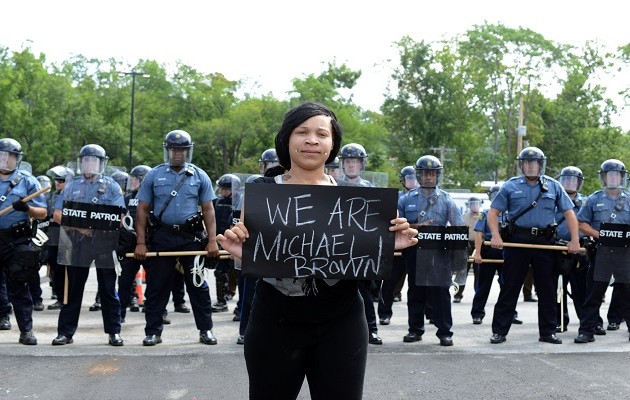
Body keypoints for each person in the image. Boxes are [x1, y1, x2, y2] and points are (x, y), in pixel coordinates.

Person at [217, 102, 418, 400]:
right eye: (302, 131)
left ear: (332, 143)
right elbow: (261, 256)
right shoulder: (263, 191)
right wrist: (239, 252)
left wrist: (388, 245)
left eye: (322, 133)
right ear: (287, 139)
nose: (312, 140)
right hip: (274, 320)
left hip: (342, 321)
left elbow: (358, 261)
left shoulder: (354, 200)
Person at [133, 129, 220, 346]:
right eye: (174, 149)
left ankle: (206, 330)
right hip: (162, 236)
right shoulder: (154, 175)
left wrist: (212, 240)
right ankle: (153, 331)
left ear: (188, 151)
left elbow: (208, 210)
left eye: (182, 150)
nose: (178, 154)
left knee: (198, 286)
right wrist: (141, 242)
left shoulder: (200, 175)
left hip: (191, 237)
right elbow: (142, 210)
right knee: (157, 287)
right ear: (168, 151)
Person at [487, 147, 580, 345]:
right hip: (517, 241)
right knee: (510, 287)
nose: (530, 166)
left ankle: (548, 332)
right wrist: (495, 235)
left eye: (534, 162)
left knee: (547, 288)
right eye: (526, 162)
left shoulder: (553, 186)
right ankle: (499, 331)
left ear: (541, 165)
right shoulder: (510, 186)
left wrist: (575, 240)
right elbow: (493, 213)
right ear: (522, 165)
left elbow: (569, 214)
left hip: (544, 243)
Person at [52, 144, 126, 346]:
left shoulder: (111, 186)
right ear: (81, 163)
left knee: (108, 289)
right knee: (73, 289)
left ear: (101, 163)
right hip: (77, 242)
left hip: (104, 243)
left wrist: (100, 226)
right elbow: (57, 214)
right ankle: (65, 333)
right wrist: (79, 227)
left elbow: (120, 216)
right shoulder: (71, 186)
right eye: (86, 160)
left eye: (94, 160)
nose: (90, 164)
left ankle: (114, 332)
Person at [399, 155, 464, 346]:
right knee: (415, 290)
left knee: (441, 291)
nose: (429, 177)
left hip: (439, 251)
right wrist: (419, 225)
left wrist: (458, 255)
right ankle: (415, 330)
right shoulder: (406, 199)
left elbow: (457, 226)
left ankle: (445, 332)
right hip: (415, 250)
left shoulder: (446, 199)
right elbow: (397, 226)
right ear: (418, 175)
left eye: (433, 173)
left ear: (438, 176)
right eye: (425, 173)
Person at [574, 159, 630, 343]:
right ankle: (586, 331)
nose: (613, 178)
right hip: (602, 252)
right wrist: (599, 235)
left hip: (625, 254)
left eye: (616, 175)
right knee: (594, 294)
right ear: (604, 177)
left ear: (622, 177)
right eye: (609, 175)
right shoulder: (593, 199)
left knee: (627, 294)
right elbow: (581, 223)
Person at [0, 138, 47, 344]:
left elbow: (43, 213)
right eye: (2, 155)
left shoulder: (27, 181)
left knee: (19, 285)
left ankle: (26, 330)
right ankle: (3, 315)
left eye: (9, 156)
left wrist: (26, 208)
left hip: (16, 239)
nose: (5, 160)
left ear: (16, 159)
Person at [338, 142, 382, 344]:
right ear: (343, 164)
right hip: (339, 247)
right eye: (347, 161)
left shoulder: (370, 189)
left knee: (363, 293)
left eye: (355, 161)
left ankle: (371, 330)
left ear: (361, 164)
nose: (351, 165)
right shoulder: (333, 186)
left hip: (361, 248)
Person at [470, 184, 523, 325]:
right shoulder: (486, 214)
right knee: (483, 285)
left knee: (508, 285)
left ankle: (511, 313)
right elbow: (479, 235)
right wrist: (478, 254)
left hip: (506, 251)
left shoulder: (510, 214)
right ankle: (477, 313)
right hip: (489, 250)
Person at [378, 165, 417, 325]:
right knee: (390, 281)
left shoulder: (423, 197)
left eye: (415, 178)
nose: (412, 181)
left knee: (419, 283)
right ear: (402, 180)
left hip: (416, 243)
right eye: (409, 178)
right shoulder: (396, 197)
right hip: (398, 245)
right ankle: (384, 313)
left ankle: (428, 313)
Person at [553, 166, 588, 333]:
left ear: (579, 183)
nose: (569, 183)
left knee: (582, 288)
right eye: (566, 179)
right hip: (558, 248)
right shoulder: (553, 199)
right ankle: (560, 320)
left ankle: (587, 322)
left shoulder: (587, 202)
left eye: (573, 180)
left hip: (580, 249)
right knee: (558, 289)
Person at [116, 164, 151, 322]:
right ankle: (120, 314)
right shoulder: (127, 198)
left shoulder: (153, 198)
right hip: (129, 245)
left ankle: (157, 312)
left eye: (135, 179)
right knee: (124, 282)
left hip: (149, 244)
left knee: (155, 281)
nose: (132, 182)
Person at [44, 165, 73, 311]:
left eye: (61, 179)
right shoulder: (54, 194)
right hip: (54, 235)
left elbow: (57, 216)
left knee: (64, 268)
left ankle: (65, 298)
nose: (57, 182)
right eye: (56, 179)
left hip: (66, 234)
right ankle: (60, 296)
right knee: (54, 267)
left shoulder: (70, 193)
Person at [211, 173, 240, 313]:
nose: (221, 191)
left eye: (224, 188)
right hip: (221, 242)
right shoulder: (216, 201)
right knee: (220, 272)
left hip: (236, 243)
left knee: (238, 273)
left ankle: (241, 305)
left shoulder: (240, 202)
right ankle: (221, 302)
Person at [453, 196, 483, 303]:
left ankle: (478, 294)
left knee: (479, 271)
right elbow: (459, 230)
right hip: (466, 245)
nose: (474, 206)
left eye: (476, 203)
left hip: (480, 245)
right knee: (462, 270)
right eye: (472, 203)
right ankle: (457, 294)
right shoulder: (464, 217)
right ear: (468, 205)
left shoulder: (483, 216)